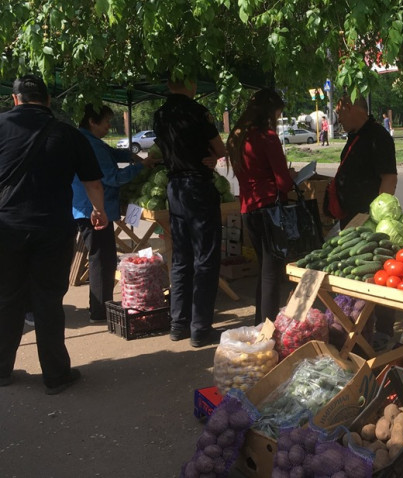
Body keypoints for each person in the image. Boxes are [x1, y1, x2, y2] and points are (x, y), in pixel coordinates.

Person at [0, 74, 108, 395]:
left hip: (7, 228)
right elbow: (93, 182)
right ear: (47, 100)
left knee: (7, 299)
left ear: (15, 100)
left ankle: (2, 370)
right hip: (53, 228)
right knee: (48, 300)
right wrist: (98, 210)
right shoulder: (67, 133)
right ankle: (56, 376)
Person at [153, 78, 227, 348]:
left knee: (181, 257)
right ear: (190, 84)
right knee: (205, 258)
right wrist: (210, 155)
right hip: (197, 186)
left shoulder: (159, 114)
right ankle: (200, 328)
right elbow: (220, 149)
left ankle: (178, 324)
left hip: (175, 189)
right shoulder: (198, 111)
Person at [71, 104, 156, 322]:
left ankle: (101, 306)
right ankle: (100, 310)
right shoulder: (92, 144)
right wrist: (141, 166)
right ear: (92, 121)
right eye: (107, 122)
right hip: (95, 210)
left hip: (86, 207)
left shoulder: (86, 140)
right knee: (102, 259)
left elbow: (114, 153)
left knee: (103, 257)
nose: (110, 126)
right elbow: (112, 178)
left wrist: (135, 155)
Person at [326, 95, 398, 338]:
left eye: (340, 114)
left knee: (377, 276)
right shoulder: (355, 136)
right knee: (355, 276)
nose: (338, 119)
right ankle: (357, 329)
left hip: (370, 222)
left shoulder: (378, 136)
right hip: (352, 220)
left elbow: (389, 178)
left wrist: (377, 217)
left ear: (352, 108)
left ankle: (383, 332)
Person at [226, 89, 295, 324]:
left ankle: (259, 324)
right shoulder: (266, 137)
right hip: (269, 209)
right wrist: (292, 176)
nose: (276, 120)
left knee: (263, 269)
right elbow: (283, 182)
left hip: (248, 209)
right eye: (277, 116)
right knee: (271, 273)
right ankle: (268, 327)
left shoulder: (237, 137)